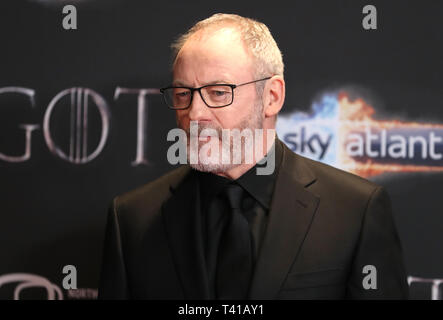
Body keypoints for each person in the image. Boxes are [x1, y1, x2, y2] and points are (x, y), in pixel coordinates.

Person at [98, 13, 409, 299]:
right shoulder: (133, 218)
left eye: (218, 93)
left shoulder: (355, 212)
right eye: (183, 95)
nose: (194, 114)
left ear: (271, 97)